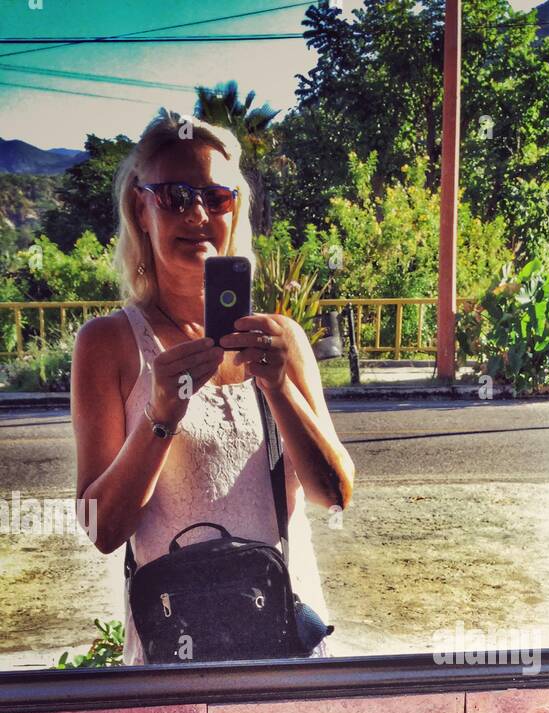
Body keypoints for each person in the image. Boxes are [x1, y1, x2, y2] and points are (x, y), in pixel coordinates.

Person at [72, 112, 354, 664]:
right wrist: (160, 415)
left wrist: (278, 388)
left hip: (285, 652)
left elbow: (335, 495)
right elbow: (101, 530)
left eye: (216, 196)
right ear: (140, 209)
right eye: (174, 196)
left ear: (235, 211)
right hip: (174, 655)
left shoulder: (281, 341)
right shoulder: (107, 344)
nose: (197, 214)